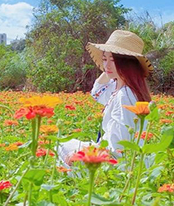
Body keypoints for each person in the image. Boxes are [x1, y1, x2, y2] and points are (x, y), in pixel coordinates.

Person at [57, 30, 153, 168]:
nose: (106, 65)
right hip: (109, 151)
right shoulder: (119, 88)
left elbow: (120, 147)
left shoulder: (124, 95)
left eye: (113, 60)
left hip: (116, 162)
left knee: (61, 150)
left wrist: (87, 154)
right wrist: (110, 67)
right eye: (104, 59)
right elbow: (96, 92)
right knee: (62, 145)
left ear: (127, 64)